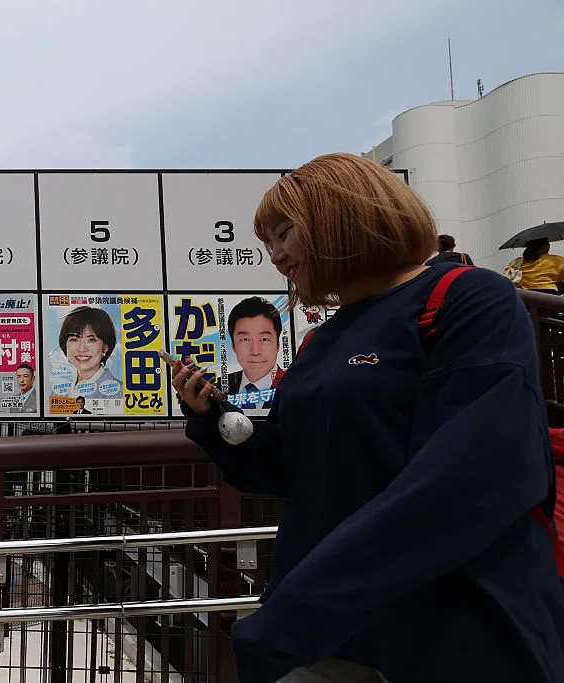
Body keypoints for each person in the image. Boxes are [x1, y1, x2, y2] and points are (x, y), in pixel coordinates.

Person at [173, 153, 564, 683]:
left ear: (342, 216)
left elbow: (465, 480)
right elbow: (287, 469)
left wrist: (292, 615)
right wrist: (212, 418)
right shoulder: (319, 340)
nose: (275, 254)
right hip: (331, 637)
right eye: (267, 241)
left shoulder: (469, 298)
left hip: (453, 630)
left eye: (284, 232)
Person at [226, 297, 284, 410]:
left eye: (264, 339)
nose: (255, 351)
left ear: (278, 344)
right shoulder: (216, 387)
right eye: (245, 339)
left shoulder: (297, 386)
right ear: (233, 345)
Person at [57, 306, 122, 399]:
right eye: (74, 339)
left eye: (91, 340)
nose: (82, 349)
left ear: (105, 348)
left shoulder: (119, 393)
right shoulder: (60, 391)